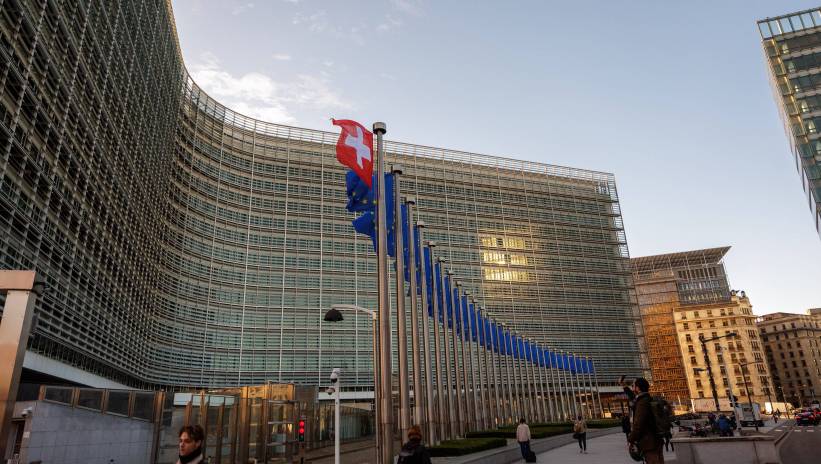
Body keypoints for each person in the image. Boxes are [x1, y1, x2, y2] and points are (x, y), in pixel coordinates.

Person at [627, 377, 664, 464]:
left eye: (633, 386)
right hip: (657, 439)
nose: (632, 388)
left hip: (649, 442)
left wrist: (630, 439)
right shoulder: (649, 399)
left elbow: (638, 424)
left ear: (638, 388)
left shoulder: (642, 402)